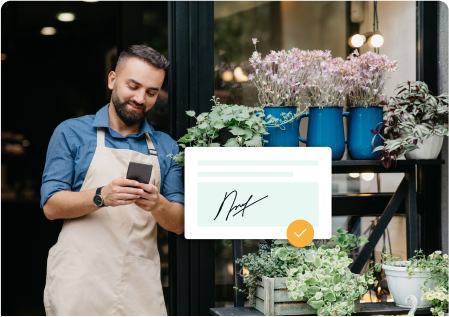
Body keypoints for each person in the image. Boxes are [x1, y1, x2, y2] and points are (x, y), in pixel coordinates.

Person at [40, 45, 184, 316]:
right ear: (112, 79)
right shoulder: (71, 133)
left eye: (151, 92)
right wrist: (102, 196)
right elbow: (51, 206)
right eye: (133, 86)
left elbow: (179, 223)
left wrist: (157, 204)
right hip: (79, 282)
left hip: (138, 285)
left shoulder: (166, 146)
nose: (141, 98)